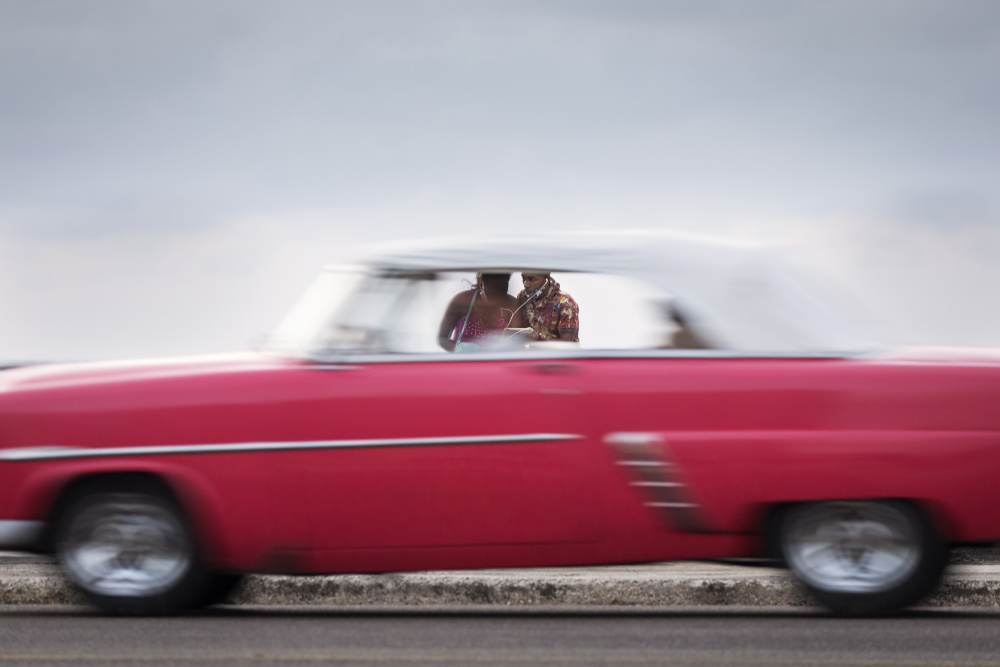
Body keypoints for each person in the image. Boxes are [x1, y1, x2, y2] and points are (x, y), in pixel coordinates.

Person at [437, 273, 523, 352]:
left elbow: (517, 342)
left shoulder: (512, 306)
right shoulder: (461, 301)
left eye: (501, 295)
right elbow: (441, 338)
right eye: (492, 295)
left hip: (496, 364)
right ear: (482, 283)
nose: (496, 302)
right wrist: (462, 349)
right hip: (463, 363)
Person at [516, 272, 579, 342]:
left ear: (547, 277)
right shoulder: (523, 297)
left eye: (531, 279)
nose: (525, 284)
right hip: (530, 351)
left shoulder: (566, 303)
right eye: (523, 278)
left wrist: (539, 339)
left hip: (556, 352)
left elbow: (567, 344)